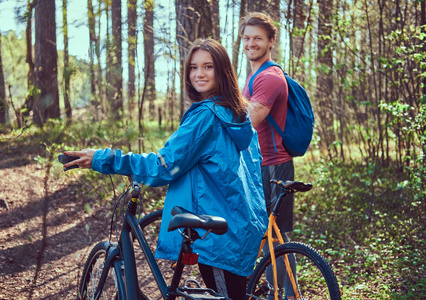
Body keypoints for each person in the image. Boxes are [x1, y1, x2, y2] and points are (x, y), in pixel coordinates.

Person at [64, 38, 268, 300]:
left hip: (221, 236)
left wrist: (104, 159)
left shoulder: (207, 116)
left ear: (223, 71)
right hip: (238, 226)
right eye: (193, 68)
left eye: (208, 67)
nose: (199, 74)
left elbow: (163, 167)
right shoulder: (238, 114)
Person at [239, 12, 297, 300]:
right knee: (266, 238)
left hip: (274, 166)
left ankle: (287, 295)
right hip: (259, 166)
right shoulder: (254, 76)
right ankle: (274, 292)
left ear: (271, 41)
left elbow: (249, 121)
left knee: (278, 238)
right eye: (247, 38)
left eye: (258, 38)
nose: (251, 43)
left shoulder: (270, 77)